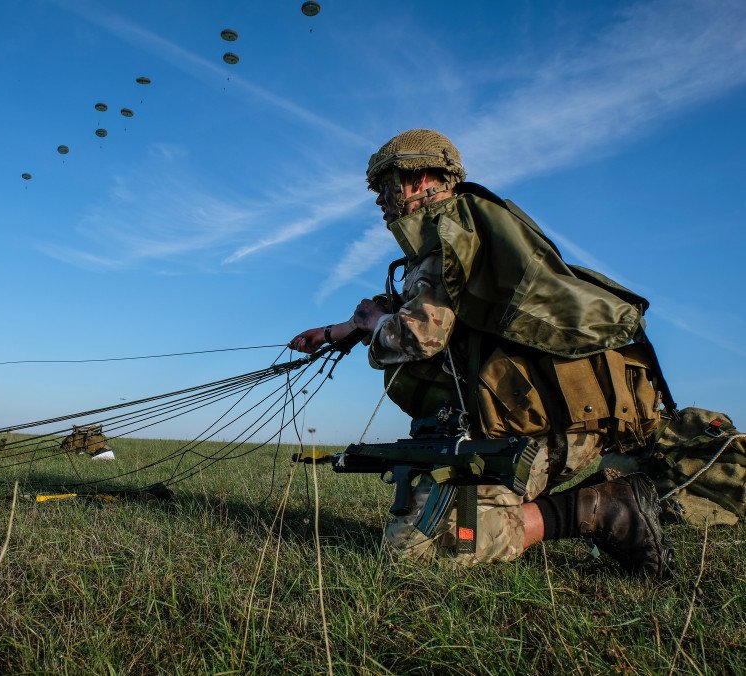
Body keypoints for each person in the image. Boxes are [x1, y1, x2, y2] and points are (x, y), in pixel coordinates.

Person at [288, 129, 685, 578]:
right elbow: (432, 321)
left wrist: (375, 326)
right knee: (419, 527)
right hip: (541, 417)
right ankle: (529, 500)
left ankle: (605, 506)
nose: (381, 198)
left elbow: (420, 336)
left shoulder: (446, 234)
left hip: (546, 425)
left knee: (423, 551)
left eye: (387, 183)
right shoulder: (462, 230)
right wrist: (335, 331)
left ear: (419, 178)